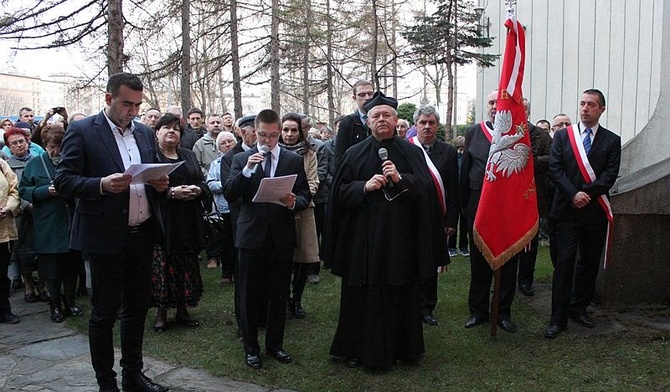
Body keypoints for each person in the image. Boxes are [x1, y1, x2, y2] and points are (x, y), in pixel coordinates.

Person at [54, 72, 169, 392]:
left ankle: (133, 374)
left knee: (136, 308)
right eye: (127, 104)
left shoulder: (145, 134)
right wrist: (101, 184)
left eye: (138, 105)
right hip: (103, 236)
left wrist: (161, 183)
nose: (133, 111)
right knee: (104, 313)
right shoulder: (82, 131)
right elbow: (63, 181)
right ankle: (107, 383)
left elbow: (151, 173)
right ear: (108, 99)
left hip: (141, 233)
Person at [324, 91, 447, 369]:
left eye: (387, 115)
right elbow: (338, 193)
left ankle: (404, 348)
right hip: (363, 241)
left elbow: (427, 192)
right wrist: (363, 187)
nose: (381, 120)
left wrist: (401, 179)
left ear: (396, 120)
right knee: (360, 296)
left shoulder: (412, 153)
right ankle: (356, 349)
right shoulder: (353, 154)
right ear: (367, 122)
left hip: (400, 240)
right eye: (376, 116)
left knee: (401, 291)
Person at [224, 109, 310, 370]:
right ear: (252, 132)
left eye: (274, 136)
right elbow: (230, 193)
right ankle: (251, 348)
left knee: (278, 294)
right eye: (263, 135)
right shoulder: (240, 159)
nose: (268, 141)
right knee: (249, 294)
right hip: (250, 236)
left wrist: (295, 201)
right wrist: (249, 170)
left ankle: (275, 345)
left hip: (281, 236)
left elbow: (305, 194)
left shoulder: (292, 160)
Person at [544, 89, 621, 339]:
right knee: (564, 263)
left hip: (594, 212)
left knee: (588, 263)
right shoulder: (564, 137)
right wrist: (573, 194)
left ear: (601, 109)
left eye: (591, 104)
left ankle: (579, 308)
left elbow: (610, 175)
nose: (585, 108)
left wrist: (586, 193)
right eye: (582, 103)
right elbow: (555, 169)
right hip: (566, 211)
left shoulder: (611, 140)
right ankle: (558, 318)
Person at [460, 89, 519, 333]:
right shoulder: (474, 132)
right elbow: (465, 172)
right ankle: (478, 311)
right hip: (478, 207)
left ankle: (502, 312)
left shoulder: (516, 134)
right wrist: (465, 208)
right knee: (479, 263)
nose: (495, 106)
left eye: (499, 102)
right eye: (491, 102)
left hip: (508, 209)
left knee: (507, 262)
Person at [19, 125, 84, 323]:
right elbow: (24, 190)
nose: (56, 152)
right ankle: (54, 305)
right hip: (47, 224)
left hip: (71, 222)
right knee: (52, 271)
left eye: (60, 147)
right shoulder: (35, 164)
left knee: (71, 267)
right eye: (52, 147)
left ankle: (70, 302)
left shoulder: (72, 162)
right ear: (45, 145)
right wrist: (46, 191)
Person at [151, 113, 206, 333]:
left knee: (187, 263)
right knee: (165, 264)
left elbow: (201, 179)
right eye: (166, 127)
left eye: (176, 128)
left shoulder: (188, 155)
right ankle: (162, 312)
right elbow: (146, 188)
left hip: (188, 218)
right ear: (157, 132)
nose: (172, 131)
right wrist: (170, 193)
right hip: (163, 220)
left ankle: (183, 308)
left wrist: (198, 189)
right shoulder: (151, 157)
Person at [407, 105, 459, 327]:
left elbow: (453, 188)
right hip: (409, 216)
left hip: (436, 217)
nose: (427, 127)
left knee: (430, 263)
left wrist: (451, 221)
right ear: (416, 125)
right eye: (423, 122)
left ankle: (427, 307)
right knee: (409, 260)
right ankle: (409, 304)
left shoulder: (447, 151)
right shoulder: (406, 148)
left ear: (437, 126)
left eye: (431, 123)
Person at [280, 113, 319, 319]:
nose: (289, 134)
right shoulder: (273, 152)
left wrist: (299, 199)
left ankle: (297, 300)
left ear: (300, 132)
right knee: (284, 258)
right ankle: (284, 299)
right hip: (279, 211)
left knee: (303, 258)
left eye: (294, 130)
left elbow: (313, 182)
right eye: (285, 130)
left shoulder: (309, 153)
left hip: (304, 210)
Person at [517, 100, 553, 297]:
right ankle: (505, 278)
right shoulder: (503, 135)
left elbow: (552, 157)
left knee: (530, 241)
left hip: (534, 195)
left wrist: (528, 162)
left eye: (523, 109)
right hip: (509, 199)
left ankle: (525, 280)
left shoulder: (541, 135)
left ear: (528, 112)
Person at [4, 127, 44, 304]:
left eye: (21, 141)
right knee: (23, 250)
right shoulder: (7, 165)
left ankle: (43, 285)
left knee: (42, 249)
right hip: (20, 214)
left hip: (41, 212)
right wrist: (26, 204)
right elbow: (12, 190)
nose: (19, 145)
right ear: (9, 147)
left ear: (28, 142)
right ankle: (28, 285)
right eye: (14, 143)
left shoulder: (39, 161)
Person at [207, 131, 237, 284]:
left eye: (229, 142)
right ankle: (227, 273)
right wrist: (227, 184)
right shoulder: (215, 164)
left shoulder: (240, 160)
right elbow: (211, 183)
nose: (227, 145)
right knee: (226, 243)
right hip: (224, 208)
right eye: (223, 143)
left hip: (238, 208)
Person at [333, 80, 374, 167]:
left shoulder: (384, 121)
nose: (367, 97)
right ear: (354, 98)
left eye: (370, 94)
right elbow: (339, 158)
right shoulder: (347, 124)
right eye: (362, 95)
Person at [0, 156, 20, 324]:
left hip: (4, 230)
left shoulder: (1, 164)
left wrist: (8, 208)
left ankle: (4, 310)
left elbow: (14, 189)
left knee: (2, 272)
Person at [448, 136, 469, 257]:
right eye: (459, 148)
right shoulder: (452, 159)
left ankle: (463, 246)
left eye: (463, 148)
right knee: (453, 222)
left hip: (464, 194)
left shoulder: (467, 159)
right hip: (454, 194)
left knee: (464, 222)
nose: (461, 151)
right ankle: (451, 246)